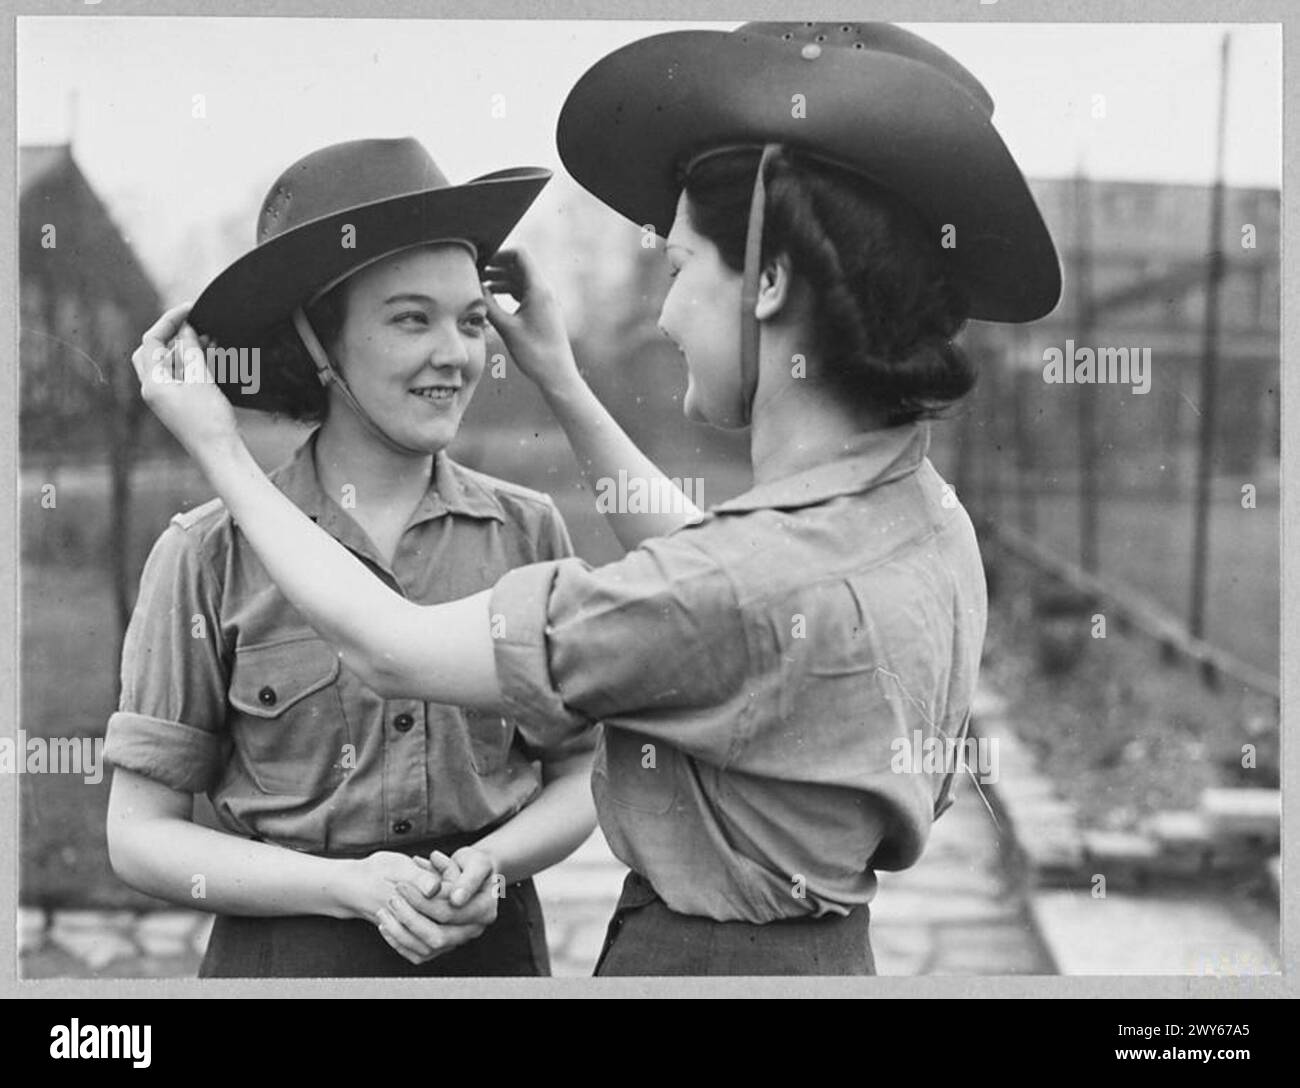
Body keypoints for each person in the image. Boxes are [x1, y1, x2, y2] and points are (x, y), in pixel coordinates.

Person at [127, 23, 1060, 976]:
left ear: (771, 282)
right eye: (410, 320)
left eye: (680, 269)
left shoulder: (689, 570)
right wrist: (565, 385)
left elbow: (394, 649)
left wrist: (220, 451)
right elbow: (726, 573)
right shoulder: (925, 521)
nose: (665, 314)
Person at [104, 138, 600, 977]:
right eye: (411, 319)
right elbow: (139, 834)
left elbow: (583, 769)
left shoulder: (527, 531)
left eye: (471, 321)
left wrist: (492, 862)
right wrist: (346, 888)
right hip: (288, 957)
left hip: (490, 952)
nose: (456, 354)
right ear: (317, 342)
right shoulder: (205, 555)